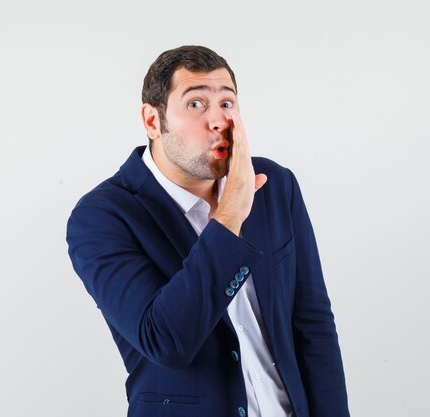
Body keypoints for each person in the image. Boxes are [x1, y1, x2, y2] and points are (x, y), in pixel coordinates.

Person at [67, 45, 349, 417]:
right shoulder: (102, 216)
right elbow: (167, 341)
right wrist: (230, 213)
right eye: (196, 104)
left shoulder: (275, 185)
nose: (219, 120)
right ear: (153, 121)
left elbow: (312, 323)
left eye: (227, 103)